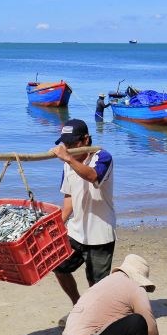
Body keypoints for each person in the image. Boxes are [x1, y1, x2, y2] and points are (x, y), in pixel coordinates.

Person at [50, 119, 116, 307]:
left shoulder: (103, 157)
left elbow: (93, 176)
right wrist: (57, 223)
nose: (68, 149)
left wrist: (68, 158)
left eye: (72, 144)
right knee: (59, 266)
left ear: (85, 140)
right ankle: (78, 305)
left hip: (100, 234)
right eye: (65, 144)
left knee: (96, 284)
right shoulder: (67, 164)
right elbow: (69, 198)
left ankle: (96, 316)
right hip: (76, 231)